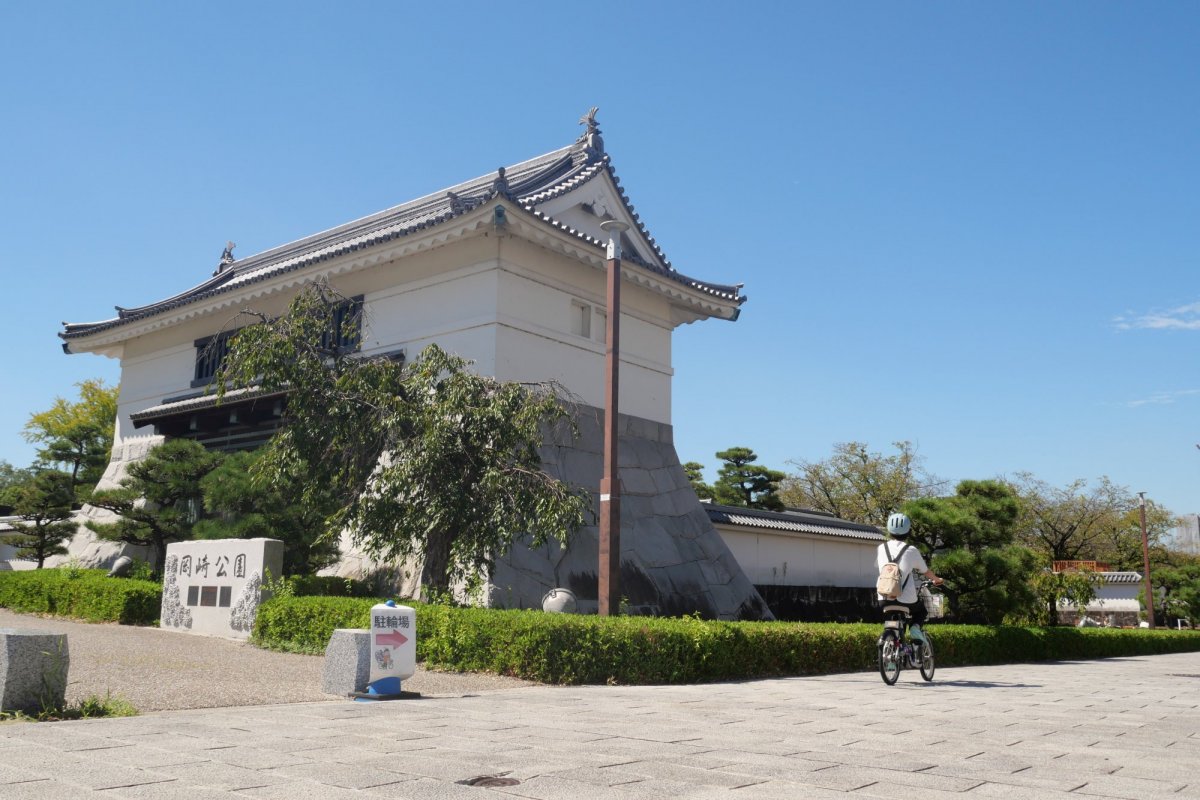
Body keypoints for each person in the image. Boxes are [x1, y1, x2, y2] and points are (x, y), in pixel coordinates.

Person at [877, 512, 944, 646]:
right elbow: (925, 571)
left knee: (890, 619)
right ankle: (914, 629)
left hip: (883, 597)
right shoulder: (911, 550)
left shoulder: (881, 548)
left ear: (889, 530)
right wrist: (937, 579)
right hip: (906, 599)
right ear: (908, 531)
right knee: (921, 610)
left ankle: (890, 655)